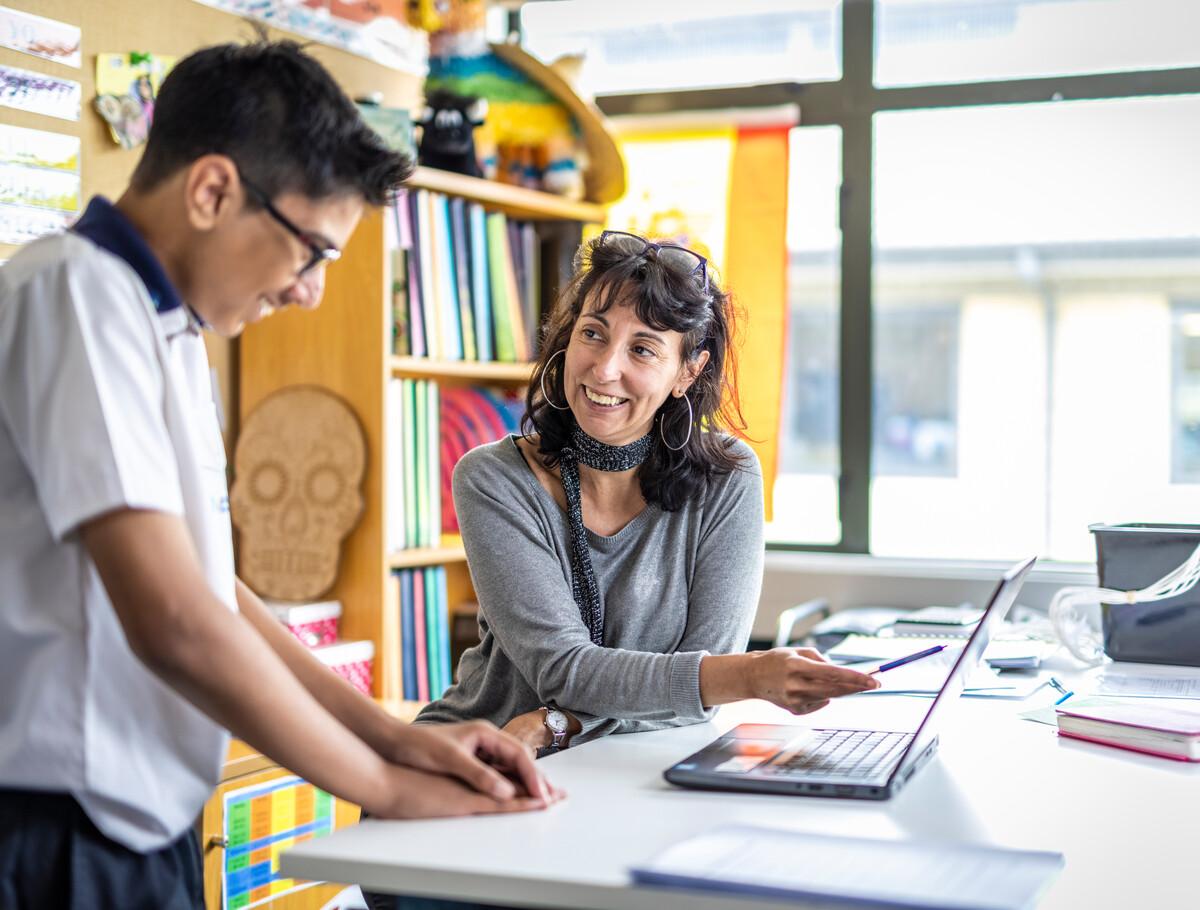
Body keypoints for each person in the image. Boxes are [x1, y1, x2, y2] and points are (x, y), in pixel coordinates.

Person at [0, 39, 556, 910]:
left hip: (140, 817)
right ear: (213, 190)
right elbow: (175, 621)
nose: (308, 293)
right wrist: (380, 787)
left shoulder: (168, 325)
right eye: (311, 252)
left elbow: (210, 590)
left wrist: (396, 738)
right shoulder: (75, 291)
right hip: (57, 824)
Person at [415, 230, 880, 752]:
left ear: (687, 371)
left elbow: (702, 690)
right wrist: (745, 676)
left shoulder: (727, 478)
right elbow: (569, 671)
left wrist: (559, 725)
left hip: (617, 762)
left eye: (642, 348)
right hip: (482, 758)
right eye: (593, 334)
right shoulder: (493, 478)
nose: (605, 367)